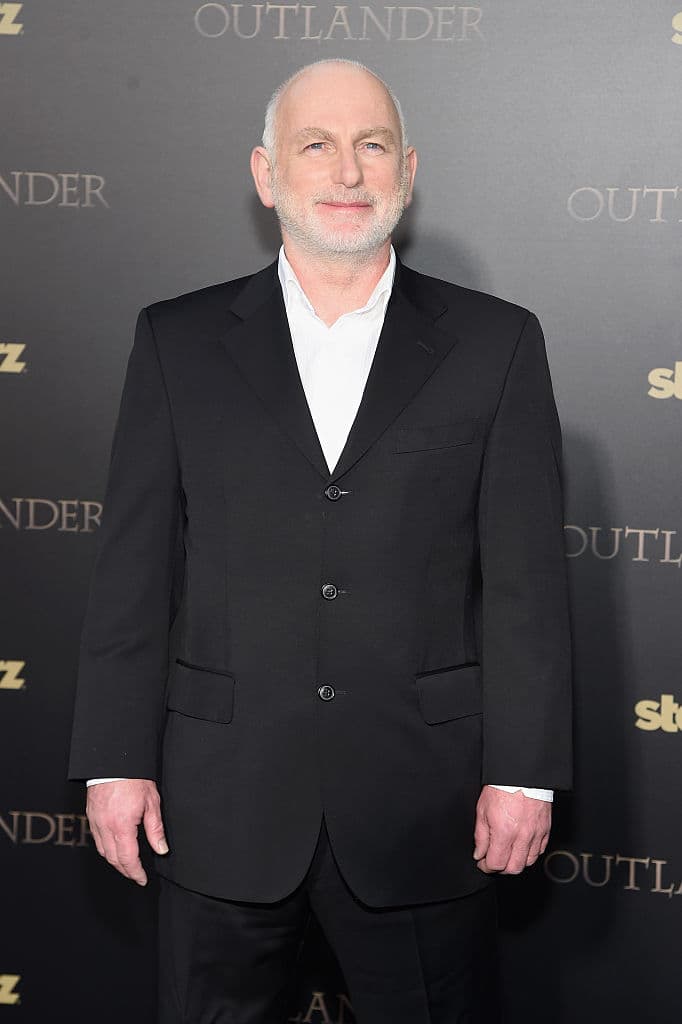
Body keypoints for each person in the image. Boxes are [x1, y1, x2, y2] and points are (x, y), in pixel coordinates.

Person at [69, 58, 572, 1024]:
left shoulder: (498, 343)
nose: (348, 171)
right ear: (266, 175)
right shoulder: (176, 341)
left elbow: (526, 585)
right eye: (317, 145)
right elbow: (135, 571)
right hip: (219, 805)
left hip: (424, 808)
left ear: (407, 171)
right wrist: (115, 760)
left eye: (372, 145)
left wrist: (524, 772)